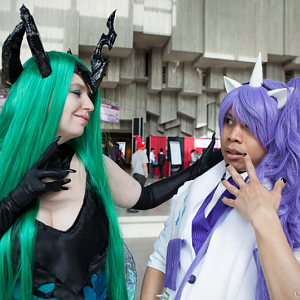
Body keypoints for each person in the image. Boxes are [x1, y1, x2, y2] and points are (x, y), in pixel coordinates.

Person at [0, 6, 224, 300]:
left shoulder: (93, 165)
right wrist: (17, 198)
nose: (90, 107)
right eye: (77, 92)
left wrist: (197, 168)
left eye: (89, 96)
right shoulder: (6, 164)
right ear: (44, 95)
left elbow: (146, 198)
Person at [141, 53, 300, 300]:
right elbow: (160, 258)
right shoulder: (195, 186)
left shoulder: (288, 201)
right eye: (229, 121)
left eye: (250, 125)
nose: (233, 135)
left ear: (273, 132)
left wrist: (264, 218)